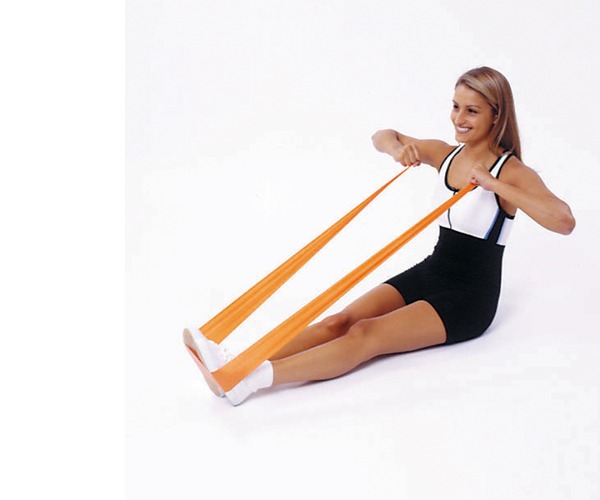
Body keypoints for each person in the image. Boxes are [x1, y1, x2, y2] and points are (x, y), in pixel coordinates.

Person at [186, 66, 576, 405]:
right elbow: (382, 135)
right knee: (339, 321)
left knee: (365, 334)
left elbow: (564, 221)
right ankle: (239, 363)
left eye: (472, 110)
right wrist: (397, 150)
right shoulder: (446, 154)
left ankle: (249, 382)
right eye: (456, 106)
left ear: (496, 115)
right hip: (433, 271)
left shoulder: (512, 172)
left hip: (469, 298)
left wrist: (495, 185)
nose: (459, 118)